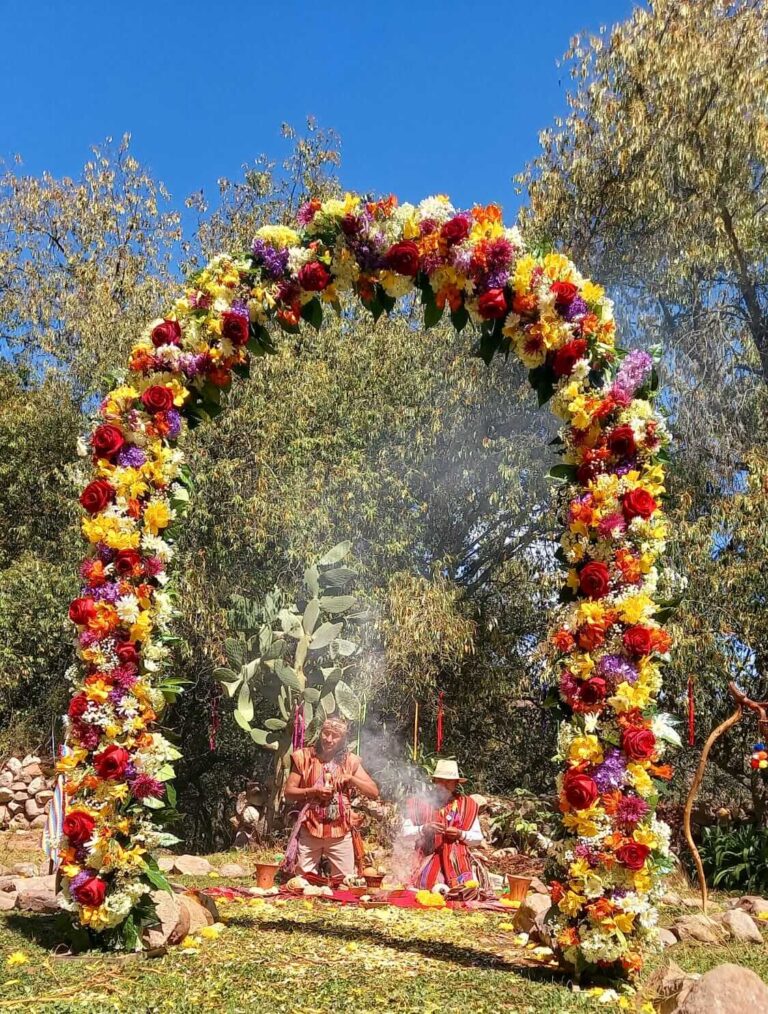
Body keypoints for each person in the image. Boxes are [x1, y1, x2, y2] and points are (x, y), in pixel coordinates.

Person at [283, 716, 379, 878]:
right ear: (320, 733)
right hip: (310, 828)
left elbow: (374, 792)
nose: (329, 739)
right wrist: (313, 791)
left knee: (345, 882)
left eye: (335, 736)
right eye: (325, 733)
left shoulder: (350, 761)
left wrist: (351, 779)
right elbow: (288, 792)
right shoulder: (304, 757)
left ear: (342, 740)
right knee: (302, 881)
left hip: (339, 832)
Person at [401, 758, 490, 894]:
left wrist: (461, 834)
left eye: (449, 781)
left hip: (458, 862)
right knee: (430, 888)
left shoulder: (467, 805)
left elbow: (477, 838)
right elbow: (404, 833)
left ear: (456, 784)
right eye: (441, 781)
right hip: (427, 859)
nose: (444, 785)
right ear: (435, 781)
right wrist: (424, 829)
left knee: (467, 889)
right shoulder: (419, 803)